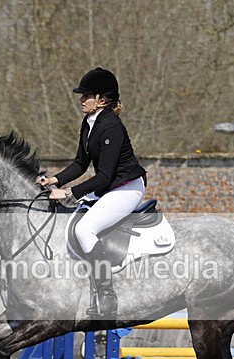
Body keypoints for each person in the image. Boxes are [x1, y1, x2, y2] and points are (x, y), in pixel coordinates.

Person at [37, 67, 147, 317]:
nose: (81, 99)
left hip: (126, 187)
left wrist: (67, 193)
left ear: (102, 100)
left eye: (86, 95)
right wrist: (55, 179)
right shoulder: (88, 123)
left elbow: (104, 175)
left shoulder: (111, 126)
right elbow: (80, 164)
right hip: (109, 187)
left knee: (83, 229)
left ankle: (107, 295)